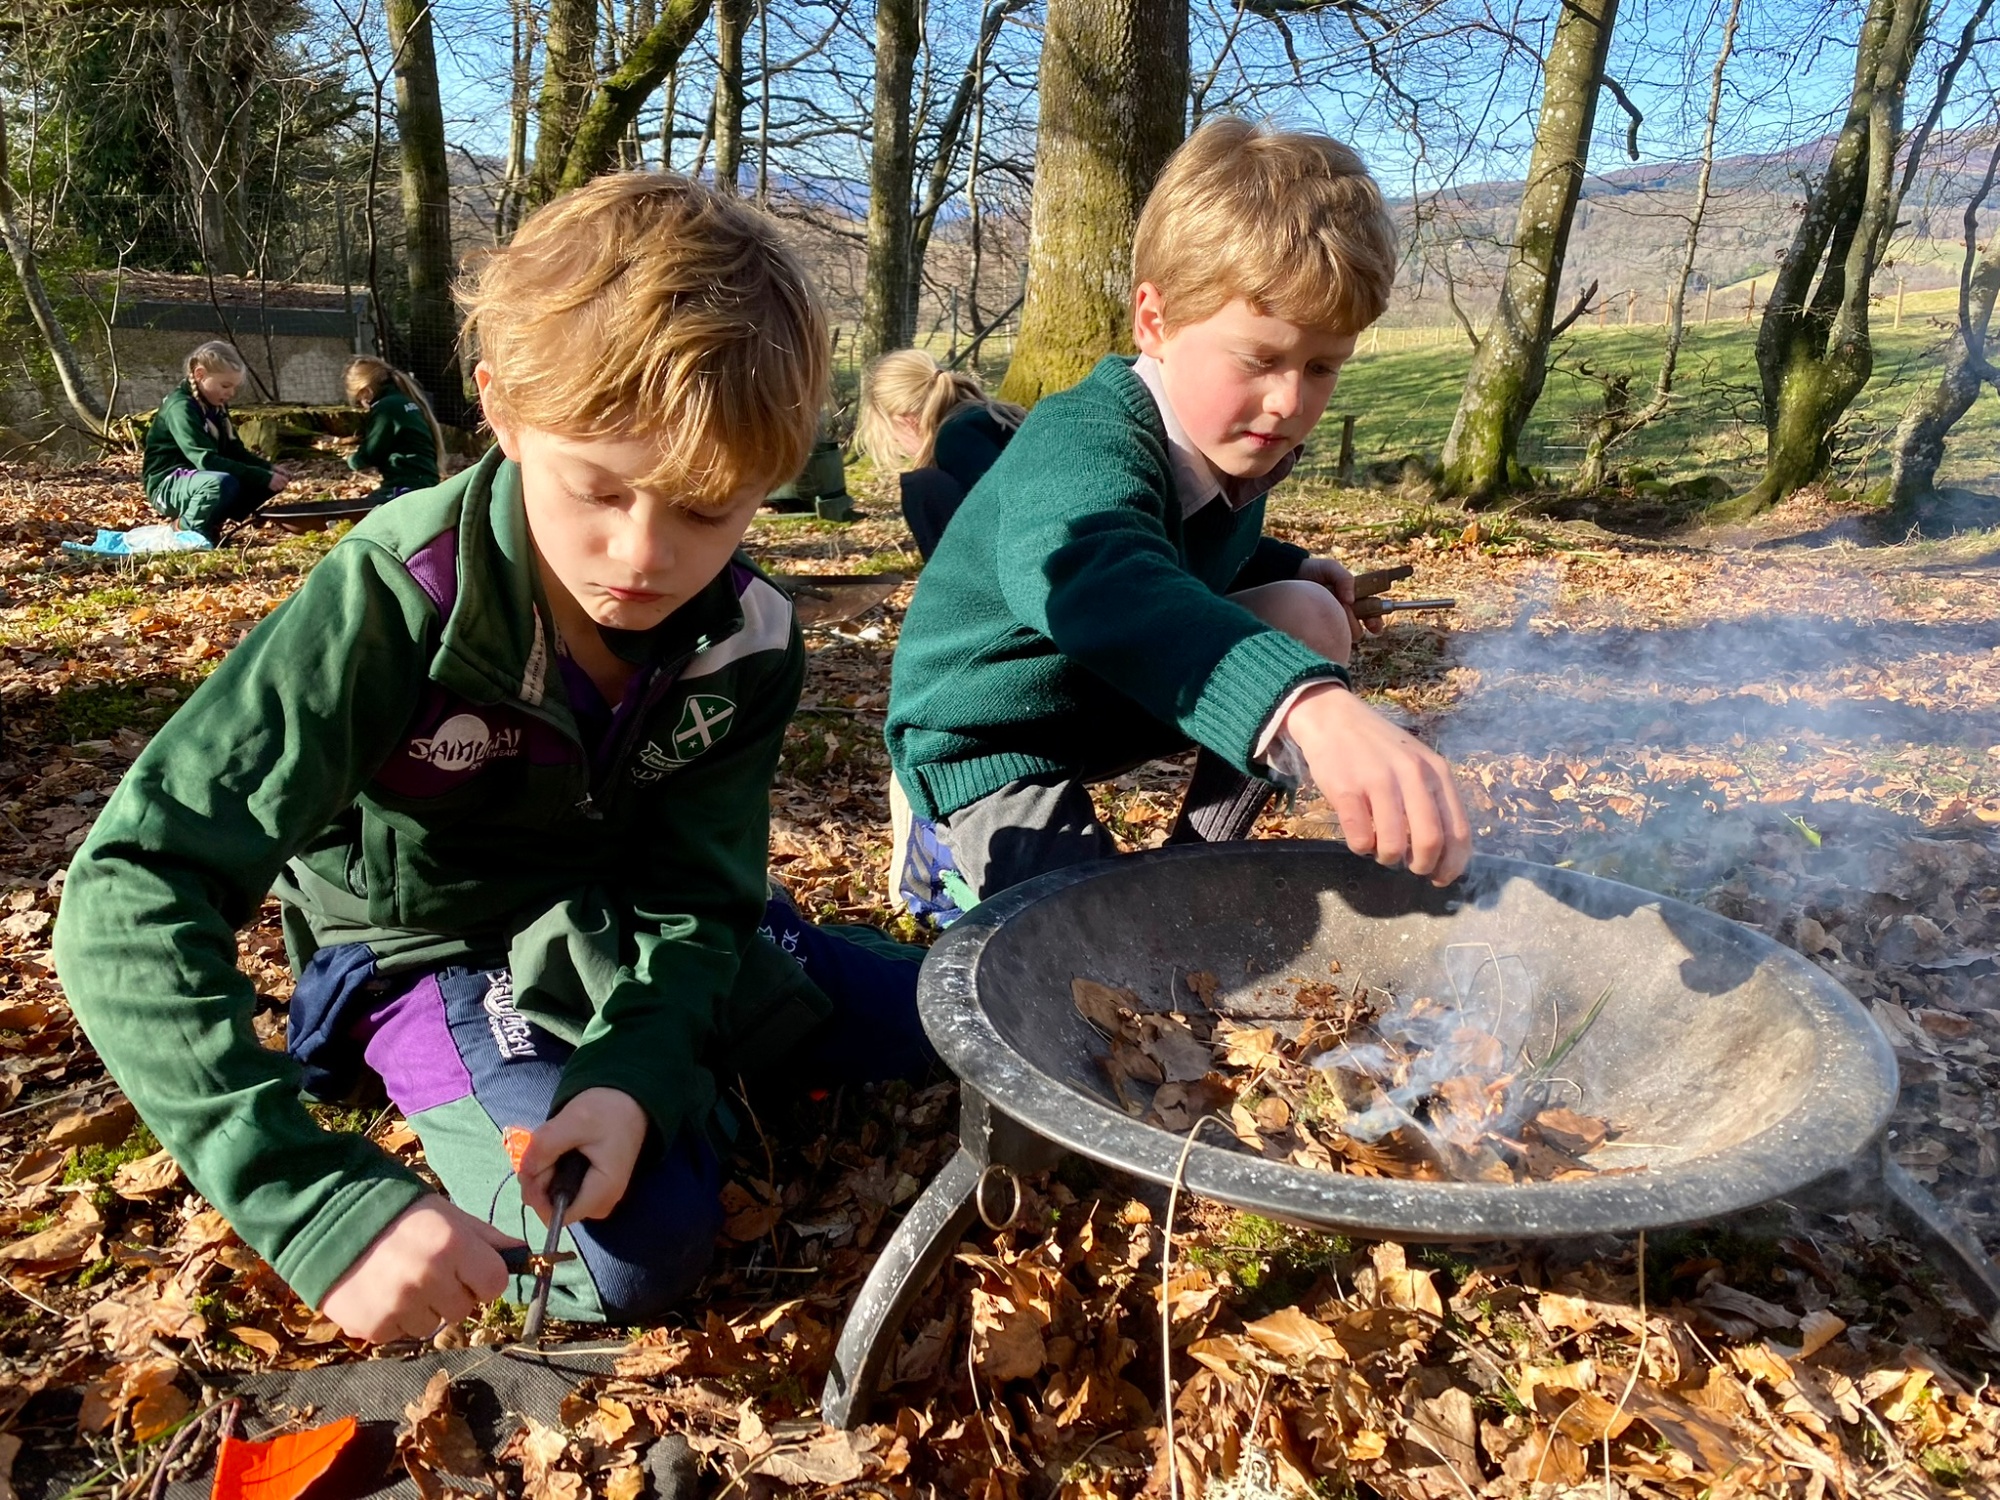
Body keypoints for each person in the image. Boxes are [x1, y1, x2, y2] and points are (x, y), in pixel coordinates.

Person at [54, 173, 928, 1345]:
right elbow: (131, 888)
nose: (644, 555)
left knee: (945, 1022)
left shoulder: (748, 635)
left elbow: (693, 904)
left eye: (710, 510)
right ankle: (685, 1068)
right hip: (434, 957)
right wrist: (311, 1200)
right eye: (600, 489)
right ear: (504, 414)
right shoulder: (392, 597)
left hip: (618, 926)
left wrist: (634, 1074)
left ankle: (692, 1063)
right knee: (624, 1260)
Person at [884, 119, 1473, 925]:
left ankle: (1192, 868)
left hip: (1097, 693)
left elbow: (1181, 547)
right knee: (1073, 942)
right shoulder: (1081, 437)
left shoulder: (1234, 445)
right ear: (1154, 321)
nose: (1289, 401)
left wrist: (1289, 567)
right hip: (990, 735)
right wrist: (1307, 704)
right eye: (1259, 359)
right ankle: (938, 850)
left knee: (1309, 617)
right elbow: (1104, 571)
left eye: (1321, 366)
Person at [853, 349, 1024, 559]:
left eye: (894, 436)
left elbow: (1010, 522)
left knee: (922, 486)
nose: (899, 444)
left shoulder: (957, 440)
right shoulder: (996, 419)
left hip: (1037, 572)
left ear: (906, 421)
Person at [143, 341, 291, 541]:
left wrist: (267, 469)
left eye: (234, 387)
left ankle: (210, 522)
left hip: (198, 479)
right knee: (219, 483)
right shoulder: (181, 408)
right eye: (225, 385)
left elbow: (234, 450)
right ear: (200, 375)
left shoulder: (215, 406)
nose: (230, 393)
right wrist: (261, 475)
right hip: (168, 484)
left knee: (261, 481)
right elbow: (206, 460)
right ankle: (184, 529)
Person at [345, 356, 449, 503]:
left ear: (366, 392)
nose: (361, 404)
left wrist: (352, 461)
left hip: (405, 485)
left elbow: (371, 452)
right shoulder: (405, 400)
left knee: (365, 511)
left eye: (358, 399)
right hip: (424, 481)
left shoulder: (386, 408)